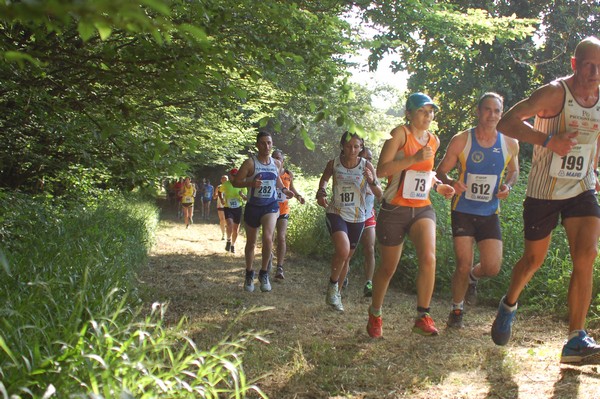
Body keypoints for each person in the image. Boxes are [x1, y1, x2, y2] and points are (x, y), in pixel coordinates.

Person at [490, 37, 600, 365]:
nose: (595, 72)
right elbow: (507, 121)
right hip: (544, 190)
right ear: (574, 64)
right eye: (589, 65)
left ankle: (574, 340)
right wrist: (548, 140)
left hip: (582, 187)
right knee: (532, 261)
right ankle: (509, 303)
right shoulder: (554, 93)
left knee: (587, 254)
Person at [366, 93, 454, 338]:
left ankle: (422, 316)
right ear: (409, 113)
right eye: (422, 111)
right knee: (387, 268)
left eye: (431, 112)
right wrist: (413, 158)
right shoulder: (399, 135)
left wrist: (438, 186)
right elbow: (381, 171)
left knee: (428, 257)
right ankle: (375, 313)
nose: (428, 116)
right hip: (394, 208)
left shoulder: (433, 141)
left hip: (422, 207)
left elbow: (426, 173)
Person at [435, 92, 519, 328]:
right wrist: (452, 183)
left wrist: (508, 186)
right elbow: (440, 172)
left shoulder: (510, 142)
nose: (492, 115)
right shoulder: (462, 140)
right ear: (478, 111)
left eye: (497, 111)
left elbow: (514, 172)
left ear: (501, 114)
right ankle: (457, 309)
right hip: (463, 209)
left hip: (490, 212)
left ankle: (473, 278)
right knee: (463, 263)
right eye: (487, 109)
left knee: (492, 267)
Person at [316, 131, 382, 312]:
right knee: (343, 249)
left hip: (358, 216)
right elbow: (324, 180)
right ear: (342, 146)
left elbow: (379, 194)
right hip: (336, 212)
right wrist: (321, 192)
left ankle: (334, 292)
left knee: (346, 258)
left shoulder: (366, 165)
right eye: (348, 146)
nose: (352, 150)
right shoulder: (334, 163)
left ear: (361, 148)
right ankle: (332, 287)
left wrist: (372, 181)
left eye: (356, 146)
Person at [232, 131, 292, 292]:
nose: (267, 146)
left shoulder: (277, 164)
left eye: (269, 143)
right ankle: (249, 273)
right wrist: (251, 183)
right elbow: (237, 182)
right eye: (263, 143)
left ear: (272, 145)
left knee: (267, 238)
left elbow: (277, 180)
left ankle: (264, 272)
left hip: (270, 206)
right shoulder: (250, 163)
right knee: (251, 243)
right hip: (253, 206)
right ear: (257, 145)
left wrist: (285, 191)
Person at [271, 150, 305, 280]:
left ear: (283, 161)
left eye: (279, 158)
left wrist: (298, 196)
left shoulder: (288, 174)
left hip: (283, 210)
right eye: (274, 157)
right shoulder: (270, 172)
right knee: (270, 237)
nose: (276, 160)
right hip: (270, 209)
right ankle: (268, 259)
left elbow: (292, 188)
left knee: (281, 237)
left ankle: (279, 267)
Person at [358, 147, 382, 297]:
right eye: (365, 158)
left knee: (370, 248)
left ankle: (369, 282)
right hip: (350, 216)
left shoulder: (372, 173)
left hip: (368, 215)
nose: (368, 162)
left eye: (371, 159)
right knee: (348, 250)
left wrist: (372, 182)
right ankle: (342, 276)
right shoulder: (352, 170)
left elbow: (380, 195)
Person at [221, 168, 247, 254]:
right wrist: (221, 199)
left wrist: (242, 195)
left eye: (236, 175)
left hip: (238, 208)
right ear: (230, 176)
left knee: (236, 229)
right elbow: (219, 191)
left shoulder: (242, 184)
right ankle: (228, 240)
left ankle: (232, 245)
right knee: (230, 224)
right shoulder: (226, 184)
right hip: (228, 207)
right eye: (233, 175)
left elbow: (246, 198)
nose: (235, 177)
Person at [214, 175, 228, 240]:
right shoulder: (219, 187)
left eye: (226, 179)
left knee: (227, 220)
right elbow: (214, 196)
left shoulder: (230, 187)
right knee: (222, 219)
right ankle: (223, 234)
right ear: (221, 180)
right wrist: (216, 195)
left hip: (228, 205)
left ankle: (227, 232)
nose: (224, 180)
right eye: (223, 179)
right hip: (220, 205)